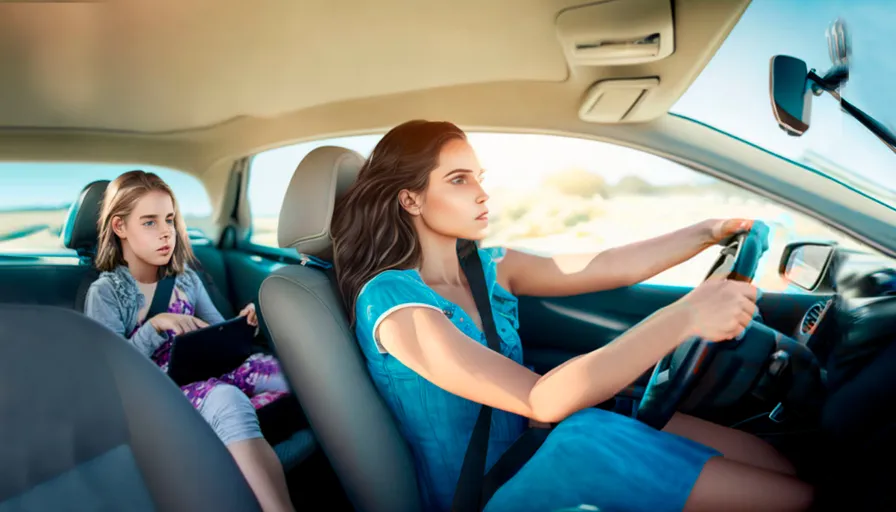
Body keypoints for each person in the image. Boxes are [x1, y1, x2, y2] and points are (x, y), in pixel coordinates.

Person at [330, 120, 815, 512]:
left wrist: (707, 232)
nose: (482, 193)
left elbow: (606, 265)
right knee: (590, 438)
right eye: (459, 180)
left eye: (480, 177)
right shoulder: (391, 303)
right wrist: (685, 316)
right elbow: (540, 400)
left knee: (773, 462)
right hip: (487, 493)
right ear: (410, 199)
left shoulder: (489, 267)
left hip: (540, 449)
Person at [84, 170, 295, 512]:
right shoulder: (107, 293)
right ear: (120, 227)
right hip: (158, 394)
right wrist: (155, 326)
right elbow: (113, 375)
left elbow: (216, 331)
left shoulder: (186, 280)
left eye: (169, 219)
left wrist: (244, 324)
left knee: (293, 374)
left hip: (208, 371)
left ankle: (233, 432)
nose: (166, 231)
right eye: (149, 222)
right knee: (226, 398)